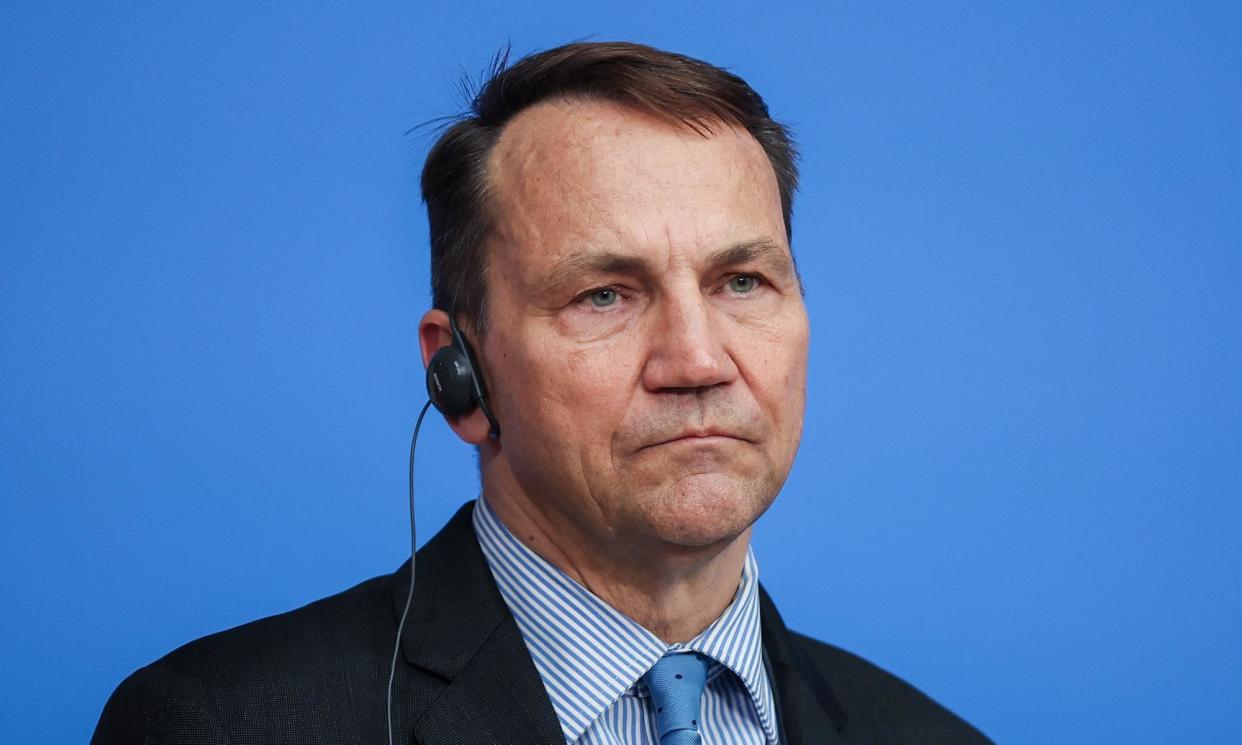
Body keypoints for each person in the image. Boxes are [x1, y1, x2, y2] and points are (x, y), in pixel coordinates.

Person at [92, 41, 991, 745]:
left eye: (742, 282)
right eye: (604, 294)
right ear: (461, 378)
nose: (698, 359)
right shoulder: (222, 725)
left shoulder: (935, 738)